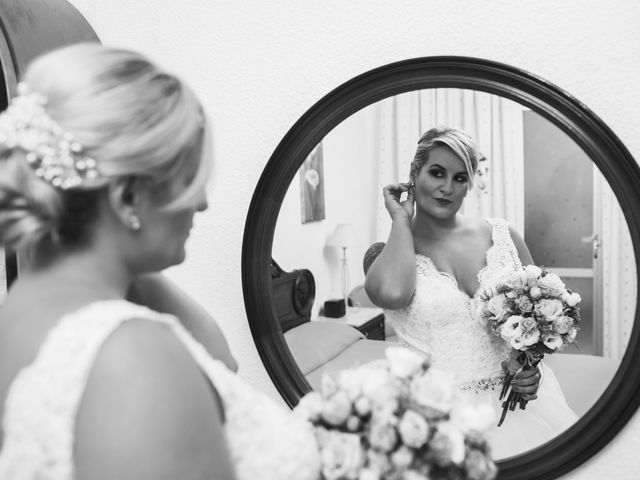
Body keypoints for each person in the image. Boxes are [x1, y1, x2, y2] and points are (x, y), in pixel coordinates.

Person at [0, 43, 320, 480]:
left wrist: (120, 256)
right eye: (189, 179)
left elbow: (219, 363)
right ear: (128, 196)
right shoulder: (133, 354)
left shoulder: (25, 310)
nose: (203, 203)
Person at [364, 126, 579, 460]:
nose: (447, 188)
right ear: (413, 174)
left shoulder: (503, 236)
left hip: (518, 412)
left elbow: (539, 318)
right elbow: (392, 294)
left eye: (460, 178)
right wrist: (400, 221)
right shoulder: (390, 253)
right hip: (435, 417)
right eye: (437, 173)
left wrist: (530, 366)